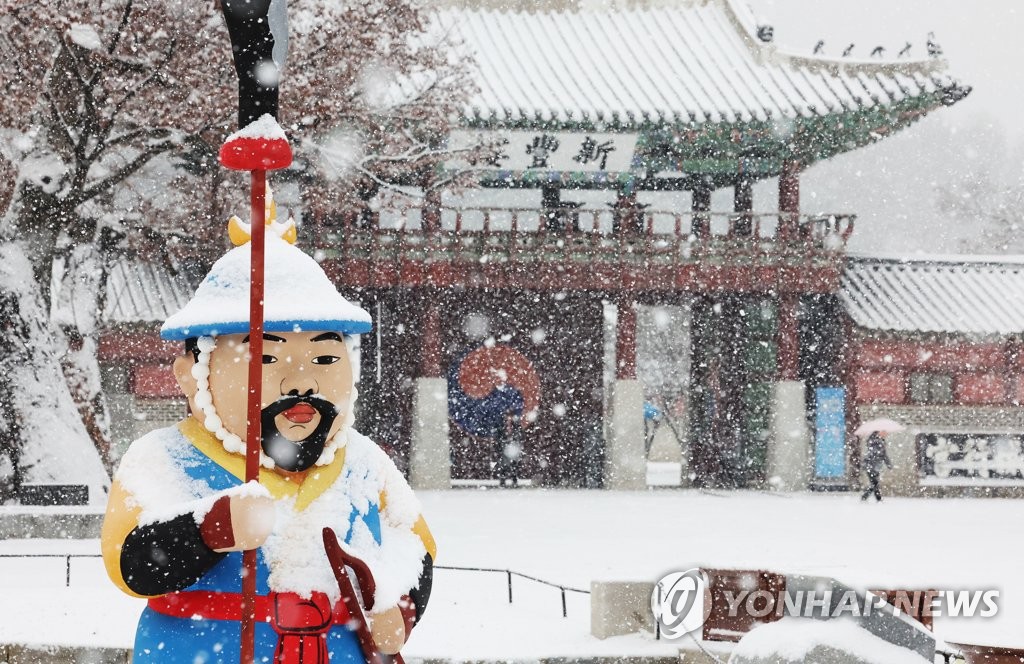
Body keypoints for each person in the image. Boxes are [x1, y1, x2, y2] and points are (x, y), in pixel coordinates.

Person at [101, 220, 435, 663]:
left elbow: (415, 549)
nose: (301, 381)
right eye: (266, 357)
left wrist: (400, 609)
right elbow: (130, 563)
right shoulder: (165, 458)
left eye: (324, 357)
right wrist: (205, 531)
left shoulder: (363, 462)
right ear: (190, 373)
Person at [493, 410, 523, 488]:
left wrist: (515, 441)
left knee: (514, 464)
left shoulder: (516, 425)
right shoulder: (501, 426)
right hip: (504, 446)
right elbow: (498, 436)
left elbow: (519, 435)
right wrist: (502, 442)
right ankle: (503, 481)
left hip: (513, 446)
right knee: (503, 465)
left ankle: (514, 481)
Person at [861, 430, 893, 502]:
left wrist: (888, 464)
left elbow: (884, 455)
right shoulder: (876, 442)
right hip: (871, 465)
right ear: (879, 432)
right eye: (884, 432)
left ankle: (866, 497)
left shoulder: (879, 442)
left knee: (874, 483)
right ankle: (877, 498)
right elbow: (875, 454)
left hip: (875, 466)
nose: (886, 434)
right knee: (875, 483)